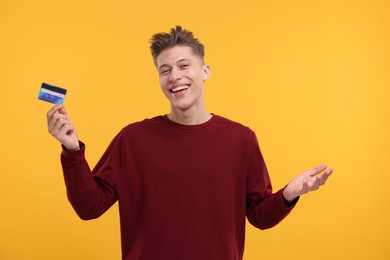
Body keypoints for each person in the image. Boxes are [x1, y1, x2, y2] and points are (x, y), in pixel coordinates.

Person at [46, 26, 333, 260]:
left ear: (205, 71)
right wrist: (72, 151)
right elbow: (89, 207)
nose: (175, 77)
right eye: (165, 69)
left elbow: (259, 215)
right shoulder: (133, 139)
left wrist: (288, 195)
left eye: (184, 65)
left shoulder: (241, 139)